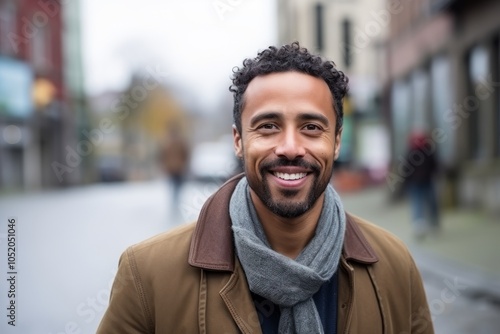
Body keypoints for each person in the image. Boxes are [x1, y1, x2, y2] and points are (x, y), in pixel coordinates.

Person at [97, 42, 434, 333]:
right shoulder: (148, 276)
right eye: (268, 126)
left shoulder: (395, 267)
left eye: (311, 127)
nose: (290, 147)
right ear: (238, 141)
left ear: (336, 142)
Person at [404, 130, 440, 239]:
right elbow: (406, 169)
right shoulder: (415, 152)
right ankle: (422, 225)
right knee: (420, 204)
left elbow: (434, 166)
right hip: (418, 183)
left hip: (425, 182)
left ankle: (430, 224)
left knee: (428, 203)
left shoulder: (427, 152)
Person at [158, 122, 190, 221]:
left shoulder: (167, 143)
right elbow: (186, 154)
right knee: (176, 185)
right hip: (177, 168)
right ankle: (175, 201)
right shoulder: (179, 142)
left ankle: (175, 201)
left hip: (173, 168)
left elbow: (161, 155)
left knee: (175, 185)